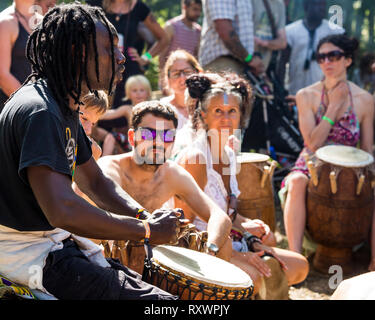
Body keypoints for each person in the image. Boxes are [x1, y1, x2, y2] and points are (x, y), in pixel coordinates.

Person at [0, 3, 182, 300]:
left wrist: (144, 215)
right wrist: (146, 230)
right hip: (26, 254)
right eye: (111, 50)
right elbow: (62, 209)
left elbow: (95, 182)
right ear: (77, 53)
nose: (122, 57)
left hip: (51, 244)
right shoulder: (41, 111)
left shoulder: (63, 102)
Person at [177, 72, 309, 296]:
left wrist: (251, 234)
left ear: (240, 117)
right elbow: (184, 228)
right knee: (255, 278)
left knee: (299, 265)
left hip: (230, 240)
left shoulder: (228, 154)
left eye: (232, 111)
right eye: (218, 111)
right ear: (203, 115)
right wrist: (238, 256)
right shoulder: (196, 158)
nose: (226, 119)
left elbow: (227, 212)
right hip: (204, 248)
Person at [280, 35, 375, 271]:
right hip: (312, 165)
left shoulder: (365, 99)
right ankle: (295, 260)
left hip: (351, 170)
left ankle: (373, 263)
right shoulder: (306, 96)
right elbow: (311, 144)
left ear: (348, 60)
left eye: (334, 56)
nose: (327, 62)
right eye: (321, 57)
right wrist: (333, 107)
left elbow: (367, 149)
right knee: (298, 181)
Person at [97, 100, 232, 261]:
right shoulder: (110, 167)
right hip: (94, 255)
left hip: (140, 250)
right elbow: (114, 214)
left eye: (167, 135)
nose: (158, 142)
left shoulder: (171, 174)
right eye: (149, 134)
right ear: (132, 137)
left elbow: (219, 216)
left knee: (224, 243)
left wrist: (210, 250)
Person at [101, 0, 168, 109]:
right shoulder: (97, 2)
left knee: (130, 113)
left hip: (128, 72)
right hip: (102, 67)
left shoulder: (139, 7)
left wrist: (145, 58)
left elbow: (164, 39)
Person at [282, 0, 344, 96]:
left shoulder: (335, 32)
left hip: (325, 96)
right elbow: (282, 63)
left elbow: (343, 65)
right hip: (294, 93)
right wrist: (280, 90)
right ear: (306, 6)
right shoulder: (291, 31)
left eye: (323, 4)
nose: (321, 8)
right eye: (317, 4)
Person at [198, 0, 265, 77]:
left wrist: (252, 58)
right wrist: (249, 59)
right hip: (223, 63)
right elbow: (224, 30)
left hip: (242, 62)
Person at [95, 74, 152, 156]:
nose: (138, 93)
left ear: (148, 92)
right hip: (131, 144)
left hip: (150, 142)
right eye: (134, 91)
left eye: (142, 90)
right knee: (112, 136)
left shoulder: (152, 108)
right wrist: (91, 113)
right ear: (128, 93)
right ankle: (104, 162)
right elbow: (107, 114)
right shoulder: (128, 109)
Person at [0, 0, 37, 112]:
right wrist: (32, 103)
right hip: (13, 109)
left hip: (40, 107)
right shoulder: (5, 22)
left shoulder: (44, 20)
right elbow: (2, 75)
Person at [158, 0, 202, 93]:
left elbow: (196, 58)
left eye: (199, 10)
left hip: (188, 79)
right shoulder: (171, 26)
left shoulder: (198, 31)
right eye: (195, 9)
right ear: (185, 7)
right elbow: (161, 56)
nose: (198, 13)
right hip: (173, 78)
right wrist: (163, 81)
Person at [161, 49, 203, 130]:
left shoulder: (207, 105)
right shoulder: (163, 109)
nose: (182, 78)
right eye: (176, 74)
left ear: (197, 73)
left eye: (187, 72)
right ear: (168, 79)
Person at [252, 0, 287, 72]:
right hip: (246, 62)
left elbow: (282, 43)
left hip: (262, 69)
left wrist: (264, 43)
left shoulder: (279, 4)